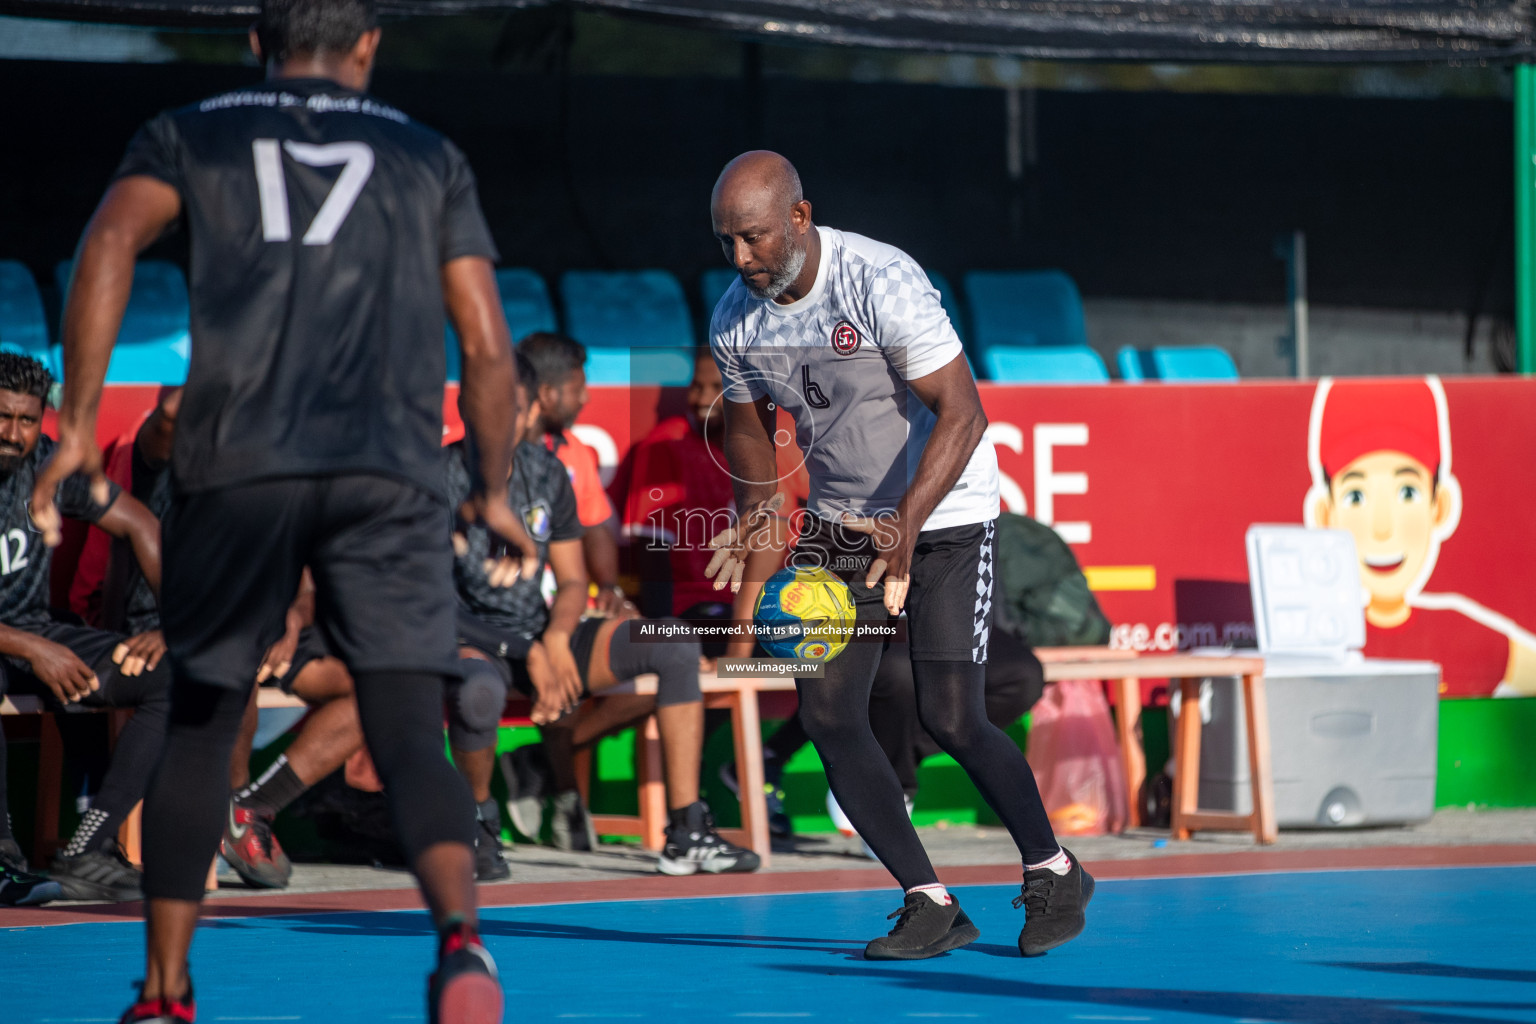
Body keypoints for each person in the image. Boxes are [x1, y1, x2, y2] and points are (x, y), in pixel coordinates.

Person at [38, 1, 539, 1020]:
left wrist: (82, 424)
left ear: (257, 45)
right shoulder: (427, 153)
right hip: (390, 472)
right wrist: (489, 487)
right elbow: (488, 345)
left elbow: (108, 242)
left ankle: (168, 990)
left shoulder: (191, 129)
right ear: (368, 48)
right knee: (406, 724)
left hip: (242, 462)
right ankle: (460, 945)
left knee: (198, 720)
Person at [705, 151, 1092, 960]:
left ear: (800, 219)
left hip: (944, 511)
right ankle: (929, 901)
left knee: (951, 715)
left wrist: (907, 527)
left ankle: (1055, 869)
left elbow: (963, 412)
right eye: (726, 242)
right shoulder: (735, 316)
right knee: (827, 713)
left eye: (754, 239)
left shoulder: (879, 280)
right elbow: (747, 424)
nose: (740, 259)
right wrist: (753, 507)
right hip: (841, 522)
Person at [451, 355, 759, 876]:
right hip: (472, 641)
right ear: (466, 408)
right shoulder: (438, 477)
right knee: (477, 689)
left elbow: (573, 580)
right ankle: (478, 823)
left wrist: (555, 638)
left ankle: (686, 830)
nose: (503, 420)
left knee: (674, 642)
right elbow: (430, 605)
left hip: (544, 633)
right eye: (490, 407)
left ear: (530, 412)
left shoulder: (546, 471)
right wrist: (533, 650)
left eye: (515, 409)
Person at [0, 352, 170, 904]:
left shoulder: (47, 464)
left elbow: (140, 521)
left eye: (26, 421)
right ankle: (3, 861)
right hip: (22, 642)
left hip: (34, 636)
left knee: (178, 672)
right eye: (2, 417)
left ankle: (88, 848)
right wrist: (33, 647)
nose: (12, 433)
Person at [1304, 376, 1536, 696]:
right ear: (1325, 515)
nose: (1382, 528)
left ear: (1438, 506)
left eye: (1407, 492)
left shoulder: (1463, 635)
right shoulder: (1315, 639)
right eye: (1355, 497)